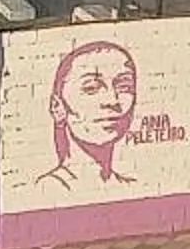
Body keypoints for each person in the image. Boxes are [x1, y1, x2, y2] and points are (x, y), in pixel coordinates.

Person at [29, 41, 138, 192]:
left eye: (124, 86)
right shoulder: (48, 189)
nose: (112, 100)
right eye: (91, 88)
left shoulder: (130, 188)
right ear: (57, 106)